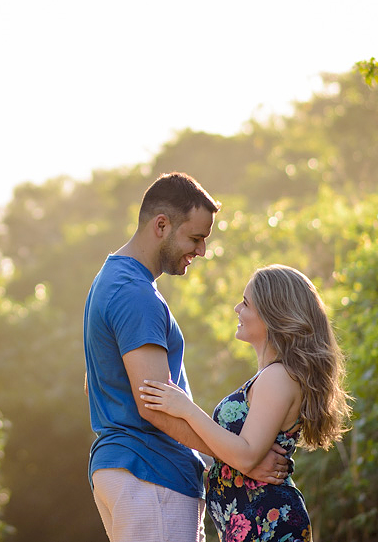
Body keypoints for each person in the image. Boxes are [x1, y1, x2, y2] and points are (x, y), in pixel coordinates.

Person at [84, 173, 292, 542]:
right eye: (195, 238)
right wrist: (245, 459)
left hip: (128, 472)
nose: (201, 251)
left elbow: (94, 384)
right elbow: (155, 405)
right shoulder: (135, 294)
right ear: (161, 225)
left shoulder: (110, 281)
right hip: (151, 474)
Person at [140, 265, 351, 542]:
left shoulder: (278, 376)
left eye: (246, 303)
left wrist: (186, 408)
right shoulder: (273, 376)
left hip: (268, 524)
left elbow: (247, 455)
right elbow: (239, 452)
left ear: (272, 315)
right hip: (253, 523)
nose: (237, 308)